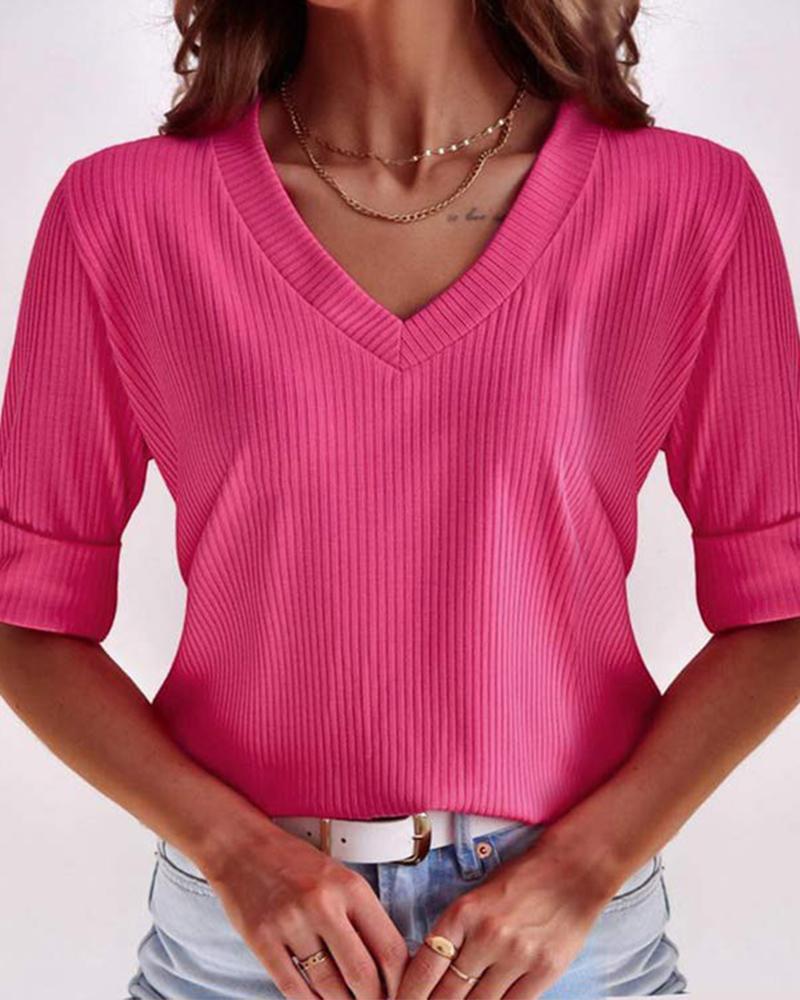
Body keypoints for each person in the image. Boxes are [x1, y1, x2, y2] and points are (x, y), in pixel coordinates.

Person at [1, 1, 799, 997]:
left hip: (559, 937)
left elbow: (779, 606)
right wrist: (236, 851)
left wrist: (585, 865)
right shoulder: (122, 213)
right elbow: (26, 619)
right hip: (252, 939)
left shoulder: (685, 203)